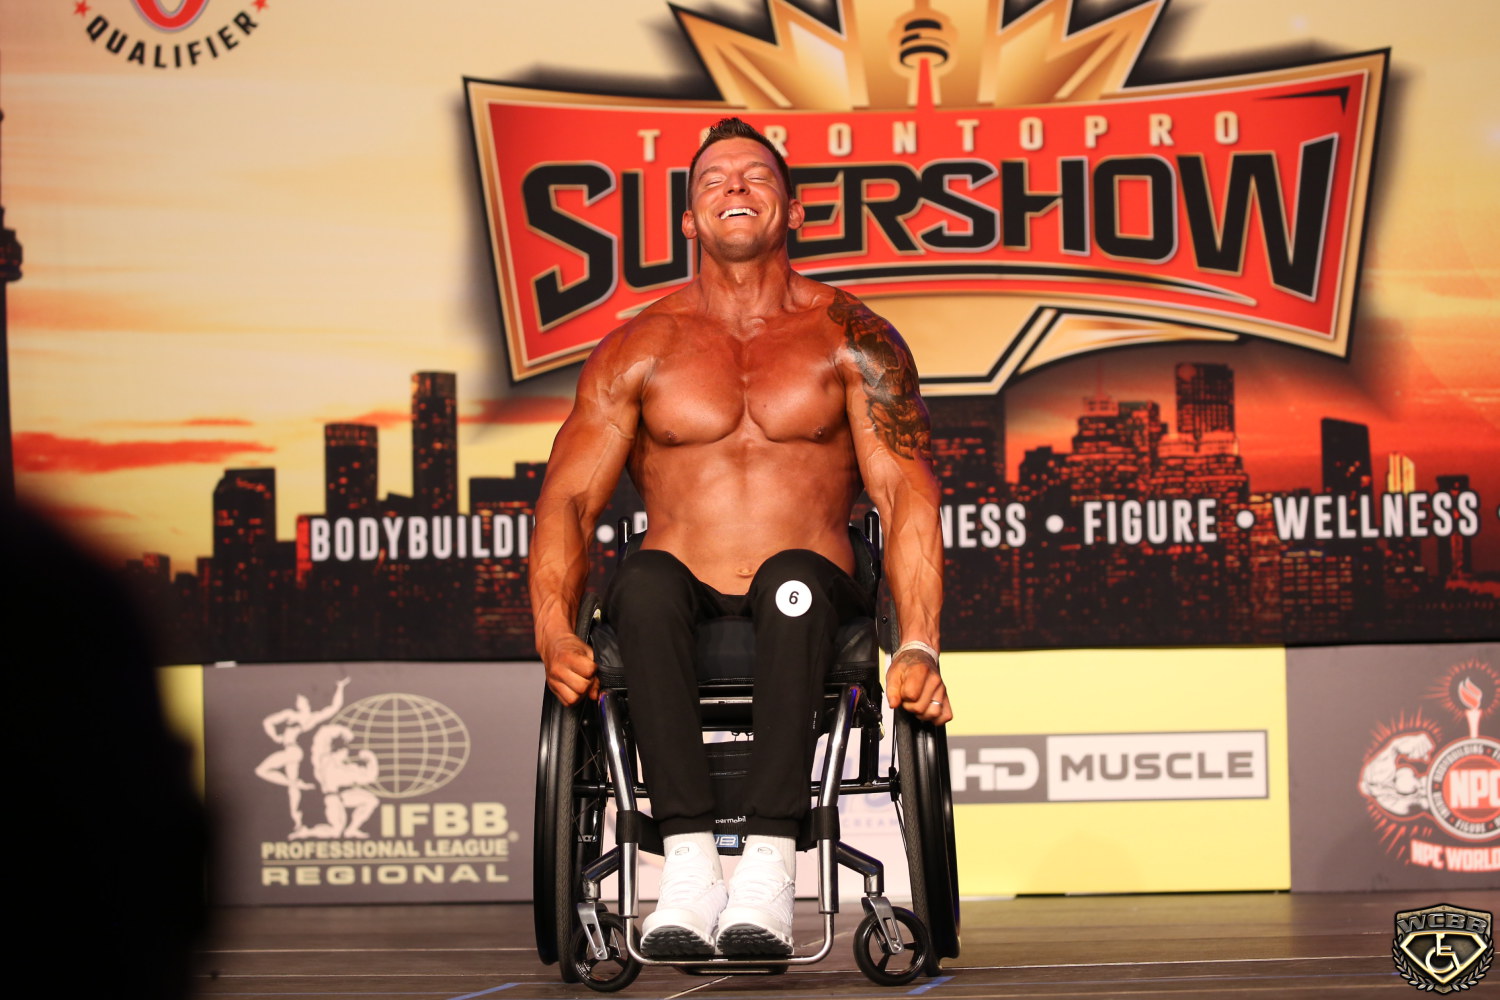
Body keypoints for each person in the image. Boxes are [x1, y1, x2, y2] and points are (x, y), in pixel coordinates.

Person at [530, 117, 949, 959]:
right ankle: (687, 870)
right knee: (643, 581)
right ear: (688, 219)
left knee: (792, 579)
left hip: (810, 594)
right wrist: (552, 629)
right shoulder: (637, 347)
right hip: (678, 596)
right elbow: (568, 500)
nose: (734, 187)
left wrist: (919, 644)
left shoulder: (853, 336)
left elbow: (905, 491)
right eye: (713, 179)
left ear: (792, 210)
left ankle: (767, 870)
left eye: (756, 176)